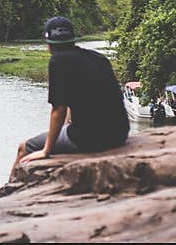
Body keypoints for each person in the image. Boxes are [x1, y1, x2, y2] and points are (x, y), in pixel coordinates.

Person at [13, 16, 129, 171]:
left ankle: (8, 193)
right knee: (68, 129)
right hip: (120, 133)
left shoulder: (58, 61)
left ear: (48, 43)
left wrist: (46, 150)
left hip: (88, 139)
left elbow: (58, 109)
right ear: (73, 39)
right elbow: (78, 98)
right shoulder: (98, 58)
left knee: (24, 148)